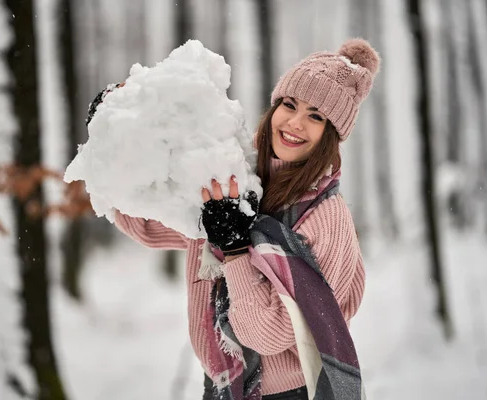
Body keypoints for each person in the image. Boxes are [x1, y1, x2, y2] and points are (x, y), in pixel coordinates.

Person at [87, 38, 379, 400]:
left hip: (289, 393)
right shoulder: (237, 177)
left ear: (330, 135)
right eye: (290, 104)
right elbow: (150, 226)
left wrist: (237, 250)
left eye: (316, 116)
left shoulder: (326, 220)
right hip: (226, 386)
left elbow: (268, 334)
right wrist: (113, 139)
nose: (295, 123)